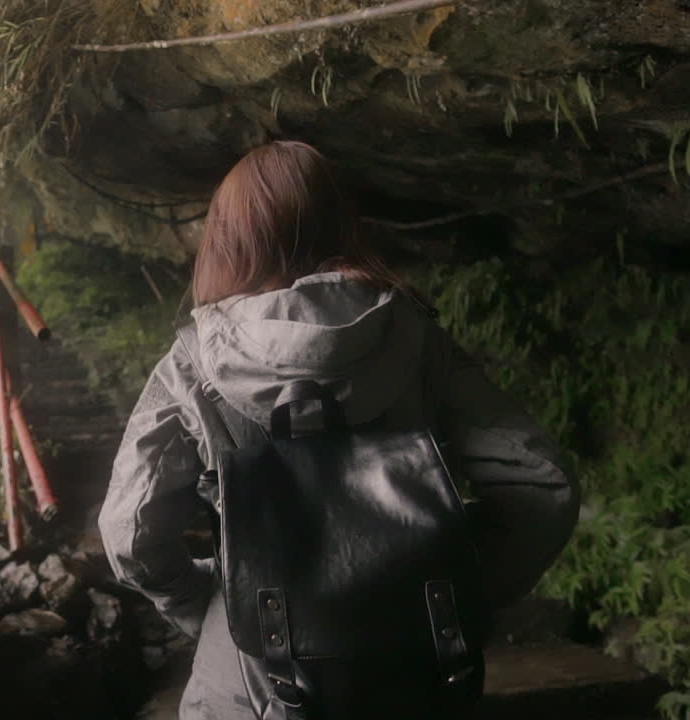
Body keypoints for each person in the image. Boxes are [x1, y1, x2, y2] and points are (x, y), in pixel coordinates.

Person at [98, 141, 580, 719]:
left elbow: (128, 531)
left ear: (228, 239)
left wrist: (203, 599)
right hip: (409, 671)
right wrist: (450, 584)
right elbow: (542, 482)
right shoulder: (412, 334)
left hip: (249, 687)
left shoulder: (195, 362)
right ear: (342, 222)